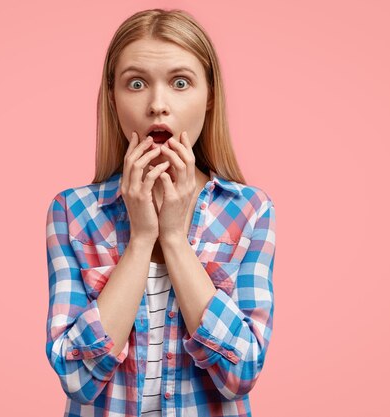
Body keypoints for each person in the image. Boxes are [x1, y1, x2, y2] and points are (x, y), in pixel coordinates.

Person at [45, 8, 277, 417]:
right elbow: (77, 380)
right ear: (113, 100)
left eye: (180, 83)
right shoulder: (73, 211)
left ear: (209, 99)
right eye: (136, 83)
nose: (157, 105)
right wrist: (140, 240)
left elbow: (239, 375)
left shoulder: (250, 211)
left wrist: (173, 238)